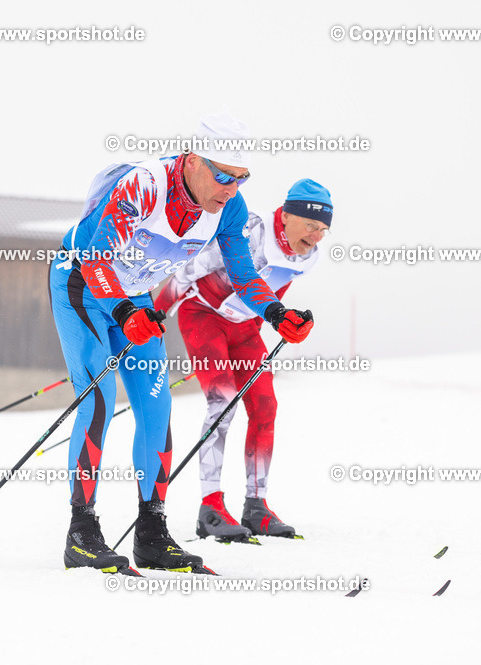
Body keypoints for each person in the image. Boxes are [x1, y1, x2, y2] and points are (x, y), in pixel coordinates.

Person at [49, 113, 314, 574]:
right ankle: (82, 533)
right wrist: (127, 313)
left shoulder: (228, 208)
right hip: (83, 286)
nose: (230, 188)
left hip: (131, 298)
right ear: (192, 160)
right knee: (97, 401)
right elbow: (95, 258)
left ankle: (152, 533)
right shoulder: (145, 185)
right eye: (221, 175)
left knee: (157, 411)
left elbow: (241, 273)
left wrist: (275, 313)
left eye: (240, 178)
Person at [154, 179, 333, 542]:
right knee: (222, 402)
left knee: (265, 407)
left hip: (244, 327)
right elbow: (189, 270)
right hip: (202, 314)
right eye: (311, 225)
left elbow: (273, 293)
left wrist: (288, 322)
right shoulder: (252, 231)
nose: (317, 236)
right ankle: (211, 507)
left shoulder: (307, 257)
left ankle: (256, 507)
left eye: (324, 229)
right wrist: (157, 313)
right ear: (286, 215)